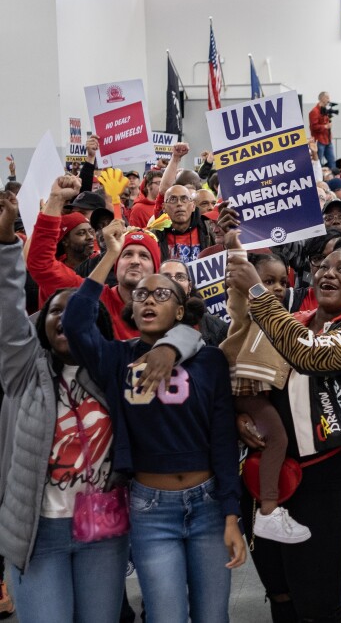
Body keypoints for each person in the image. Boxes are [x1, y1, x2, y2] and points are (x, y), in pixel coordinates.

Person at [0, 192, 203, 623]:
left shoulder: (111, 367)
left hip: (102, 529)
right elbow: (9, 310)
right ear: (41, 323)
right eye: (55, 311)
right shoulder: (23, 370)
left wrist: (171, 345)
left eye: (74, 312)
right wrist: (5, 245)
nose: (63, 319)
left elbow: (191, 334)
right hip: (39, 533)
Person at [63, 220, 246, 623]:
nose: (147, 300)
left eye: (160, 294)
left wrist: (232, 515)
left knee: (213, 616)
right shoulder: (116, 358)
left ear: (180, 310)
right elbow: (75, 323)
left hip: (209, 504)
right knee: (165, 616)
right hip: (150, 509)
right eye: (141, 295)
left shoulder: (209, 360)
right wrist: (110, 256)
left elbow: (223, 440)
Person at [226, 243, 341, 622]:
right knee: (279, 591)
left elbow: (312, 356)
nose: (329, 273)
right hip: (268, 470)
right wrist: (240, 416)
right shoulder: (294, 318)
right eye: (324, 266)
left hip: (324, 478)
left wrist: (257, 293)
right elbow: (247, 368)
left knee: (316, 602)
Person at [222, 234, 311, 544]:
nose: (276, 288)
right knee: (278, 439)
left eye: (282, 283)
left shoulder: (280, 318)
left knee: (272, 440)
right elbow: (236, 286)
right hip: (244, 391)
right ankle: (269, 512)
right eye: (268, 281)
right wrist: (235, 245)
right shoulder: (247, 307)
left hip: (258, 392)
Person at [26, 178, 161, 339]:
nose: (135, 261)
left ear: (156, 268)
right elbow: (41, 264)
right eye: (127, 254)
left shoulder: (167, 307)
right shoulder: (95, 298)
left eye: (144, 256)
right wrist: (56, 199)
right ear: (115, 264)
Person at [309, 91, 335, 167]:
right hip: (319, 141)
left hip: (327, 140)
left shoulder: (325, 111)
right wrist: (325, 127)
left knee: (332, 161)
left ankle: (333, 177)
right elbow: (313, 127)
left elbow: (325, 123)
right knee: (317, 161)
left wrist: (329, 132)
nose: (329, 99)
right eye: (327, 97)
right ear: (322, 98)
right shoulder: (314, 111)